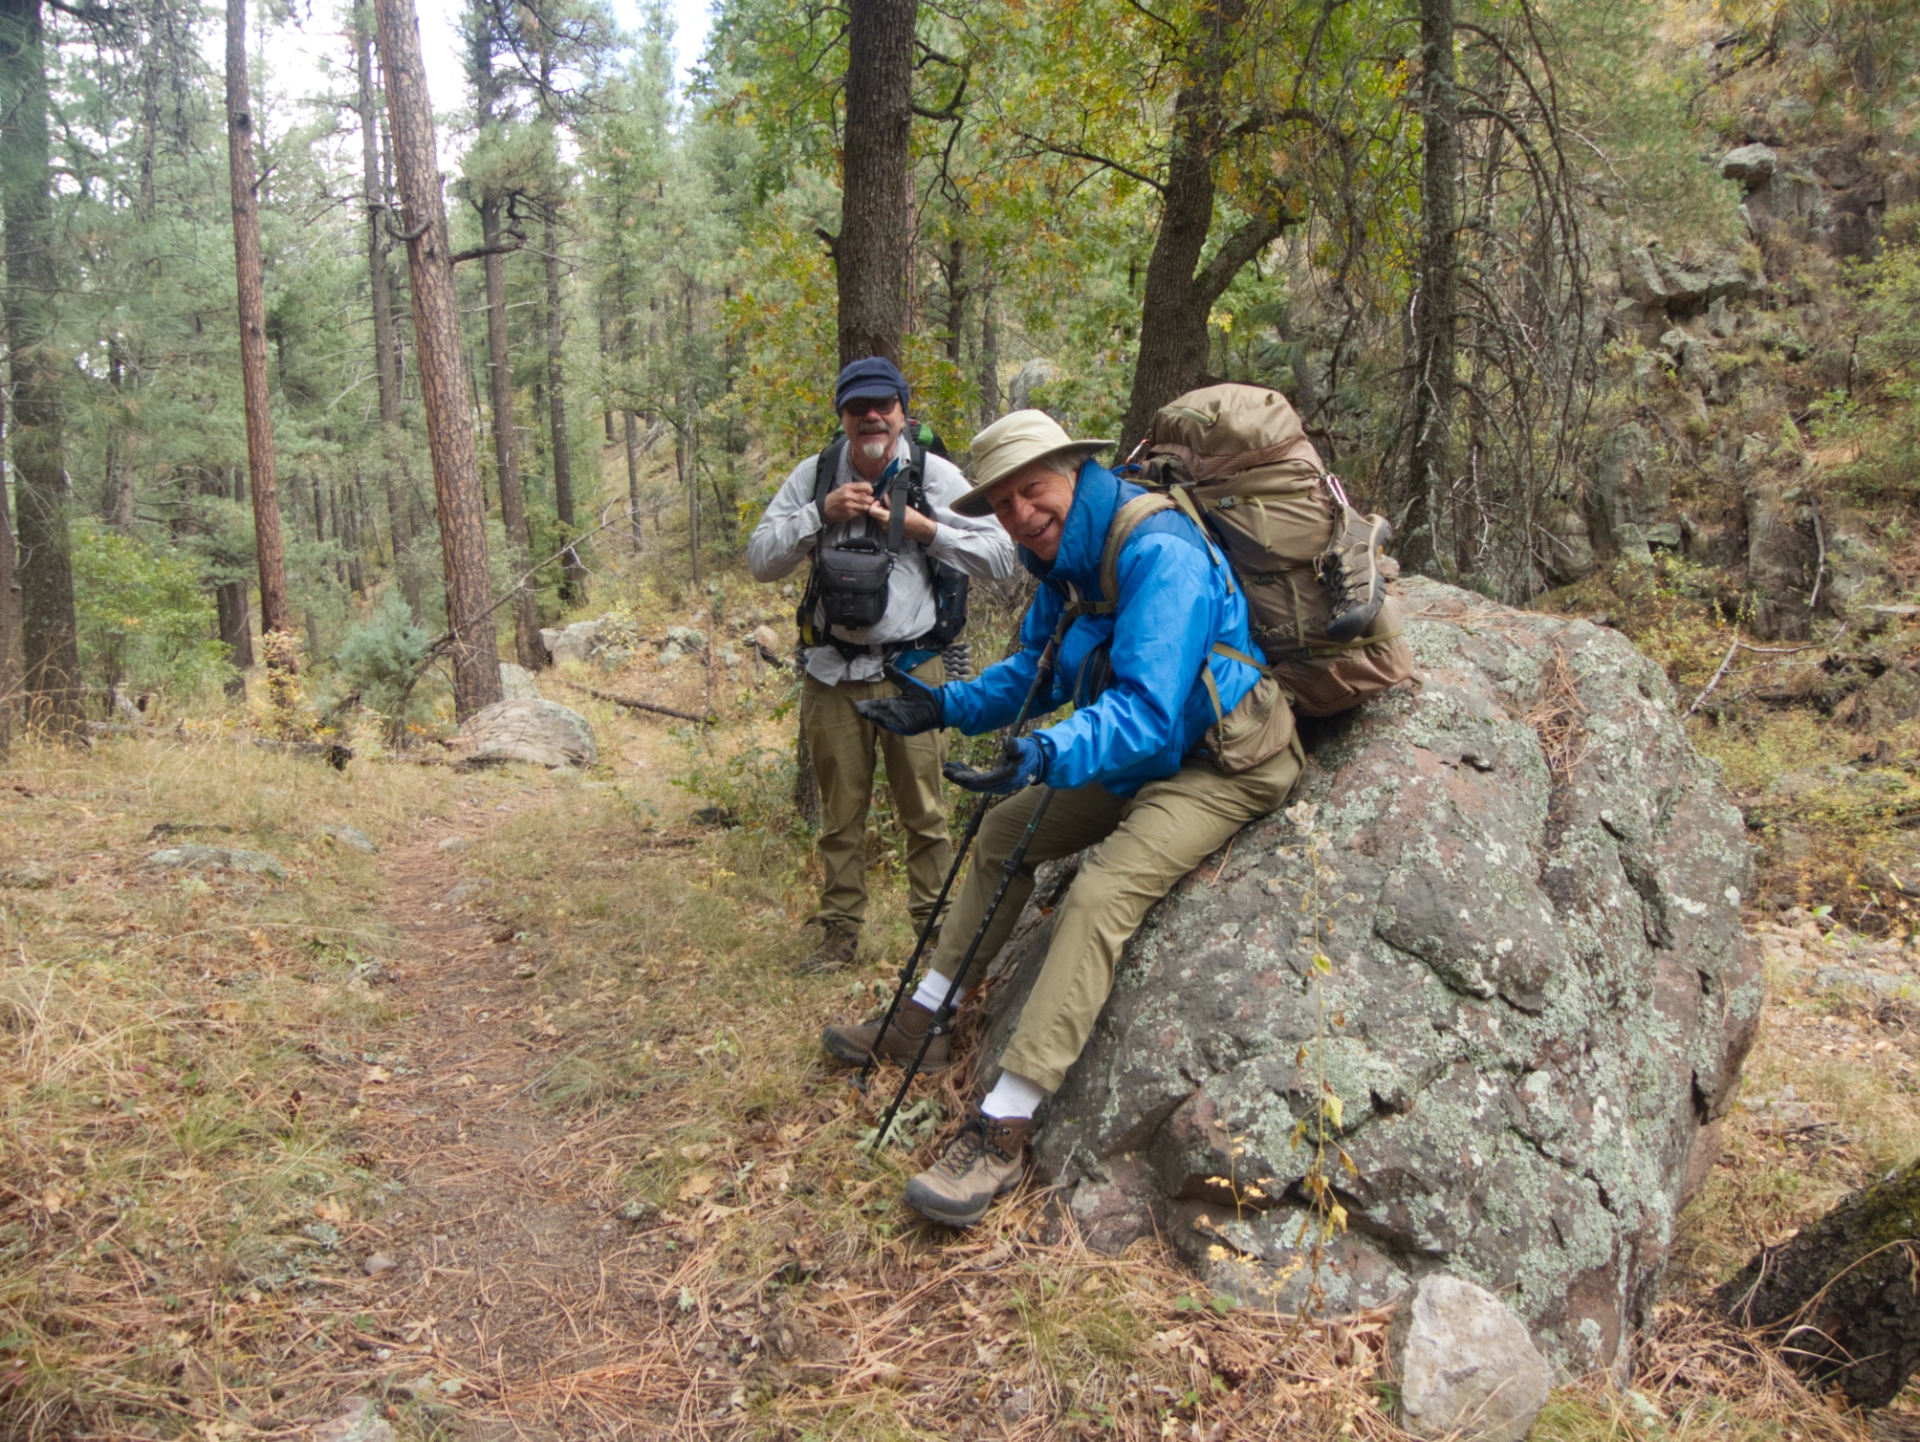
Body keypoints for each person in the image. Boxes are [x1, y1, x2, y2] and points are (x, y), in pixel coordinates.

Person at [822, 409, 1303, 1228]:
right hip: (1146, 749)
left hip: (1221, 760)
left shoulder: (1157, 552)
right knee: (1006, 832)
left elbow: (1149, 711)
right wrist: (942, 706)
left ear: (1074, 471)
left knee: (1099, 892)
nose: (1019, 516)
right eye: (1001, 504)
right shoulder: (1066, 564)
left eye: (1030, 492)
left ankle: (1004, 1123)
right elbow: (1034, 672)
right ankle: (923, 1018)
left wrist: (1045, 755)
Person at [748, 358, 1017, 974]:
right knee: (838, 816)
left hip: (914, 670)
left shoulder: (935, 475)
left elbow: (1003, 556)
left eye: (883, 405)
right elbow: (760, 559)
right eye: (857, 406)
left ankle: (937, 934)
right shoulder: (815, 475)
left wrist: (927, 530)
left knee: (925, 811)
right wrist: (821, 514)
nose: (871, 416)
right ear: (842, 416)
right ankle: (838, 934)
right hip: (830, 671)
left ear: (901, 411)